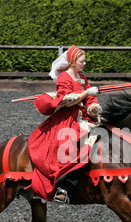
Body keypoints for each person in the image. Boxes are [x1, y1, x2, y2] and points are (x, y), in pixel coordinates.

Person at [28, 46, 102, 204]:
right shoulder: (64, 77)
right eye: (82, 61)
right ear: (74, 62)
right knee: (71, 149)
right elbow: (67, 101)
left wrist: (93, 107)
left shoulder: (82, 78)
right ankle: (63, 188)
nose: (84, 63)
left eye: (84, 61)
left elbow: (89, 100)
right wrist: (86, 93)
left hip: (84, 117)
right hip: (68, 118)